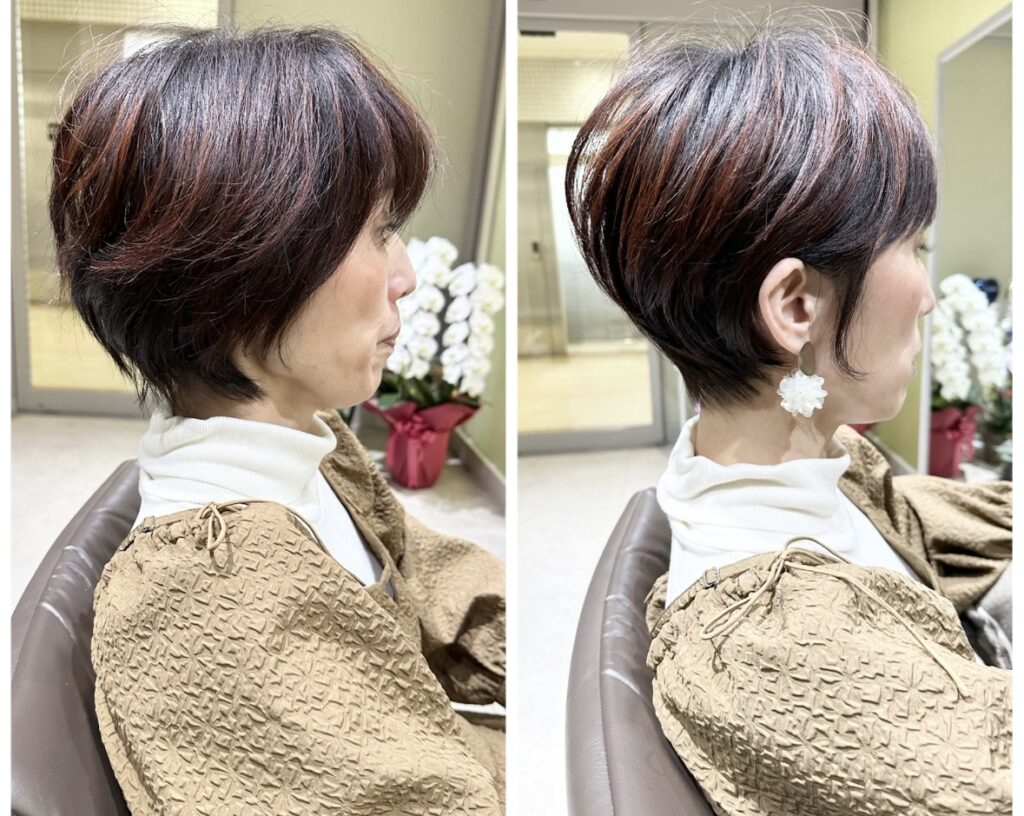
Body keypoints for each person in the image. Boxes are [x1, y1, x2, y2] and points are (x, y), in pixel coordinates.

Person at [49, 25, 505, 815]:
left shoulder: (306, 445)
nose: (404, 273)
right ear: (244, 270)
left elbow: (433, 577)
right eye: (379, 230)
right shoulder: (213, 607)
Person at [565, 21, 1011, 816]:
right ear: (797, 307)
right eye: (915, 246)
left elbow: (956, 523)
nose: (928, 294)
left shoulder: (806, 462)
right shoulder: (779, 646)